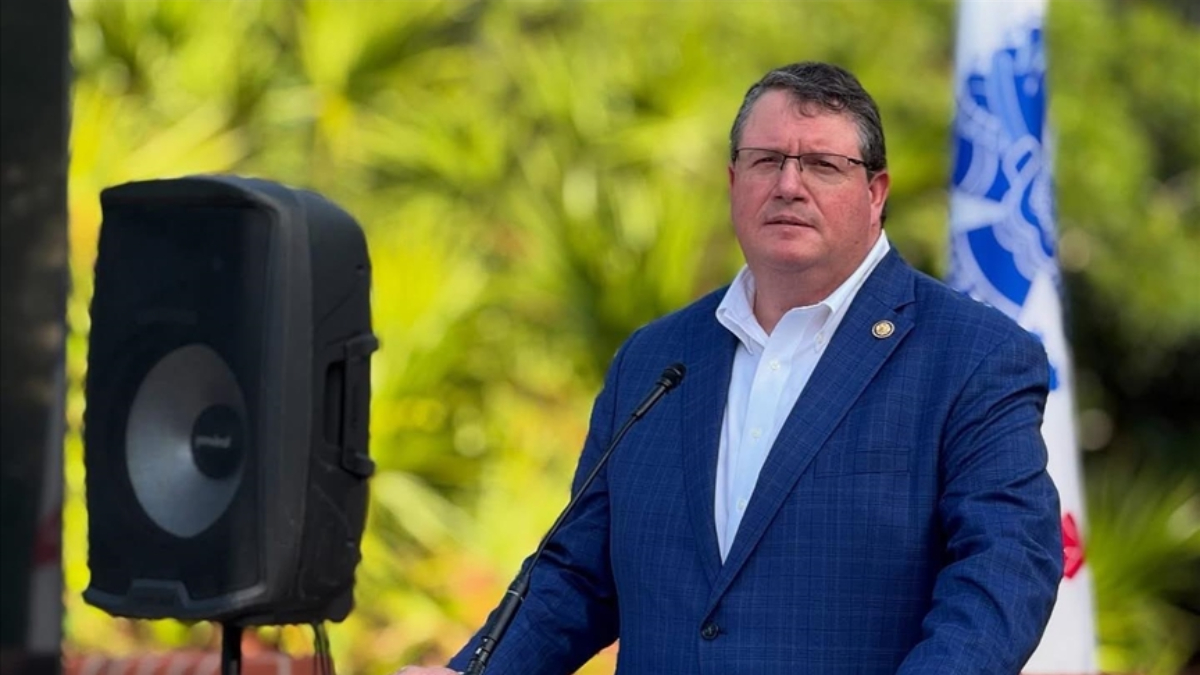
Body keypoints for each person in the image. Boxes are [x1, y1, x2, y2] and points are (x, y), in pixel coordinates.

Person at [395, 61, 1062, 675]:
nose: (789, 185)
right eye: (766, 160)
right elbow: (577, 576)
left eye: (822, 165)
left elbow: (1004, 569)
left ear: (875, 191)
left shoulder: (972, 355)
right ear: (734, 180)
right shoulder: (655, 359)